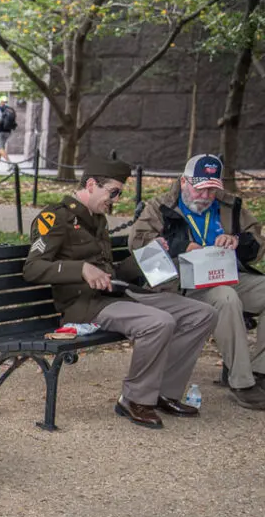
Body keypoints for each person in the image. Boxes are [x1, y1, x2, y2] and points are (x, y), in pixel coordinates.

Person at [23, 156, 218, 428]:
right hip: (84, 305)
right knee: (158, 322)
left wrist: (149, 255)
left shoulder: (97, 218)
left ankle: (165, 392)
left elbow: (112, 273)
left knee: (202, 313)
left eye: (119, 193)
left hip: (115, 295)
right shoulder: (56, 217)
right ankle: (134, 399)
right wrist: (80, 269)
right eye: (113, 192)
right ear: (91, 184)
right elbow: (32, 268)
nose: (115, 199)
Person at [129, 154, 265, 410]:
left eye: (212, 188)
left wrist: (237, 241)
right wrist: (181, 247)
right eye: (199, 187)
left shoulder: (230, 205)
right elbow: (138, 242)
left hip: (225, 274)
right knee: (225, 298)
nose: (205, 195)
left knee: (242, 291)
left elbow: (257, 242)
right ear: (183, 182)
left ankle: (261, 372)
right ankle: (242, 383)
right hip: (182, 285)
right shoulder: (162, 207)